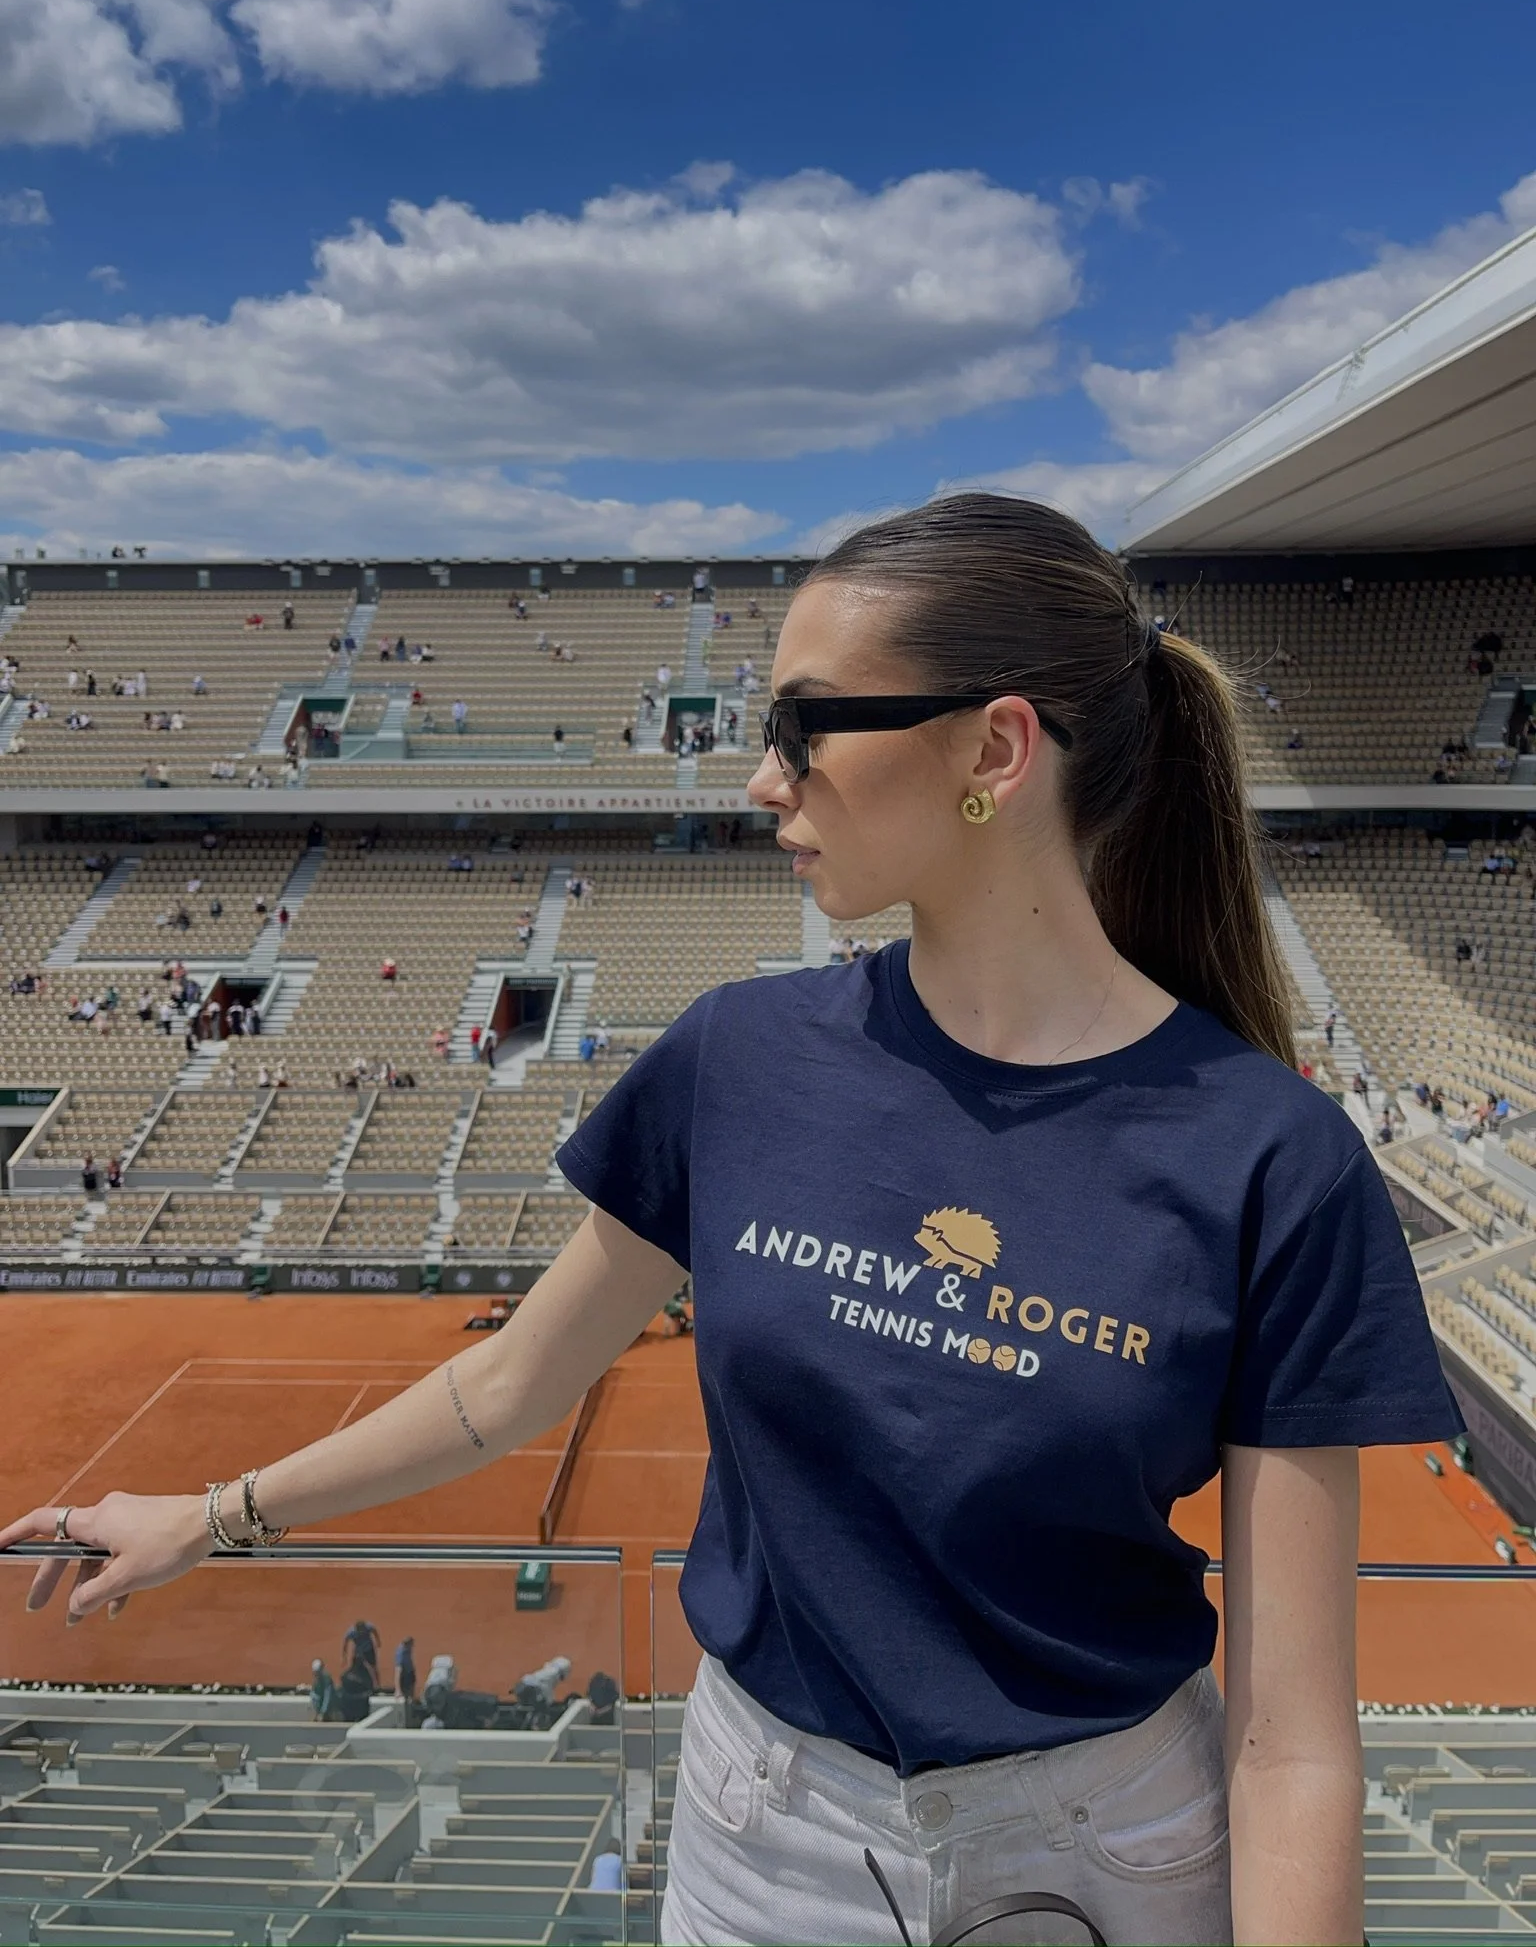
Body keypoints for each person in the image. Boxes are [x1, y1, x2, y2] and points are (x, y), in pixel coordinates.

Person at [0, 495, 1464, 1947]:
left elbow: (1291, 1741)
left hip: (1116, 1856)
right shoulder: (739, 1055)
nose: (765, 778)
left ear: (994, 751)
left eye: (808, 725)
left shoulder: (1275, 1156)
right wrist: (213, 1514)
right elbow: (507, 1387)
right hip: (764, 1845)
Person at [342, 1618, 381, 1690]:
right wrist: (344, 1656)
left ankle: (377, 1685)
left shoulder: (369, 1627)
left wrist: (378, 1641)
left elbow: (374, 1631)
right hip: (358, 1652)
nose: (362, 1632)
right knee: (355, 1668)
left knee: (374, 1667)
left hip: (369, 1649)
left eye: (363, 1630)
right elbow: (345, 1643)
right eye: (360, 1630)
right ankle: (357, 1683)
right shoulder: (351, 1632)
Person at [395, 1635, 417, 1710]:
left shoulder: (408, 1649)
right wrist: (398, 1690)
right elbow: (398, 1672)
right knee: (406, 1695)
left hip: (410, 1673)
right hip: (405, 1676)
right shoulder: (400, 1654)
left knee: (411, 1693)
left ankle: (411, 1706)